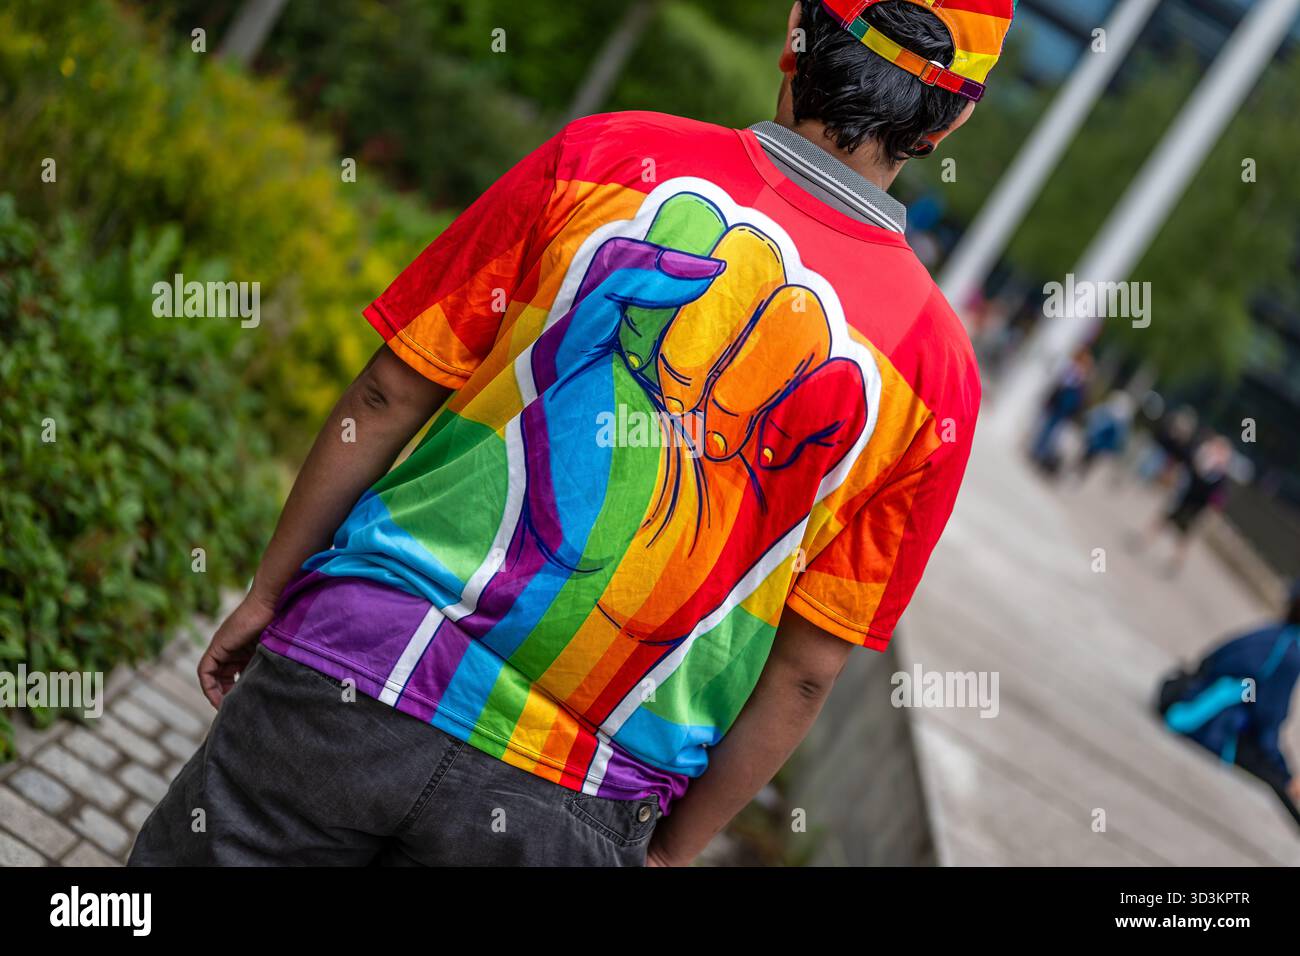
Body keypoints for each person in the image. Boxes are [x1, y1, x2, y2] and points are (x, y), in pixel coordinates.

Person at [130, 0, 1016, 867]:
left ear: (796, 35)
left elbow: (391, 388)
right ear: (950, 121)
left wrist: (268, 590)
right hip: (582, 797)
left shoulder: (611, 155)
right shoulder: (935, 370)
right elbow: (807, 670)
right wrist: (671, 849)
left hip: (359, 665)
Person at [1157, 582, 1300, 829]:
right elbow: (1267, 721)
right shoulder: (1290, 654)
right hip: (1203, 718)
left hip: (1188, 695)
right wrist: (1287, 775)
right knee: (1279, 781)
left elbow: (1211, 660)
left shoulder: (1274, 634)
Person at [1133, 433, 1234, 575]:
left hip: (1195, 507)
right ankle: (1144, 540)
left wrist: (1211, 513)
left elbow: (1217, 498)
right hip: (1184, 499)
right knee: (1162, 521)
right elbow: (1186, 464)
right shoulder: (1202, 459)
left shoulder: (1219, 475)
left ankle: (1176, 563)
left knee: (1183, 536)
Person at [1029, 347, 1093, 476]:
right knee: (1051, 430)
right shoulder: (1077, 375)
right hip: (1063, 406)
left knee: (1050, 429)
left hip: (1062, 405)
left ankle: (1039, 452)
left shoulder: (1074, 373)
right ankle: (1039, 452)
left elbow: (1061, 386)